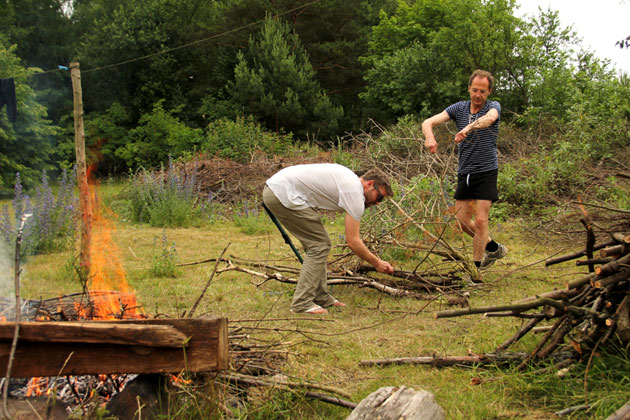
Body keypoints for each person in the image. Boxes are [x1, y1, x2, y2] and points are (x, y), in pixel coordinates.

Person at [263, 163, 394, 314]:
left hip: (278, 189)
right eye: (379, 197)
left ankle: (321, 297)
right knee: (319, 246)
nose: (377, 203)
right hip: (282, 193)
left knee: (319, 245)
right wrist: (377, 263)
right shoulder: (354, 192)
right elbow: (353, 241)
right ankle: (302, 304)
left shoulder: (349, 180)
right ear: (369, 184)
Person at [422, 69, 508, 273]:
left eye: (483, 91)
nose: (478, 95)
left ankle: (476, 269)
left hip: (487, 170)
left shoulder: (493, 106)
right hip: (465, 172)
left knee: (480, 220)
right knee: (461, 222)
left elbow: (489, 119)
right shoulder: (458, 108)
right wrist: (430, 137)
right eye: (475, 90)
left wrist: (468, 128)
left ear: (489, 92)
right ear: (469, 88)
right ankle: (494, 248)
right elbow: (428, 122)